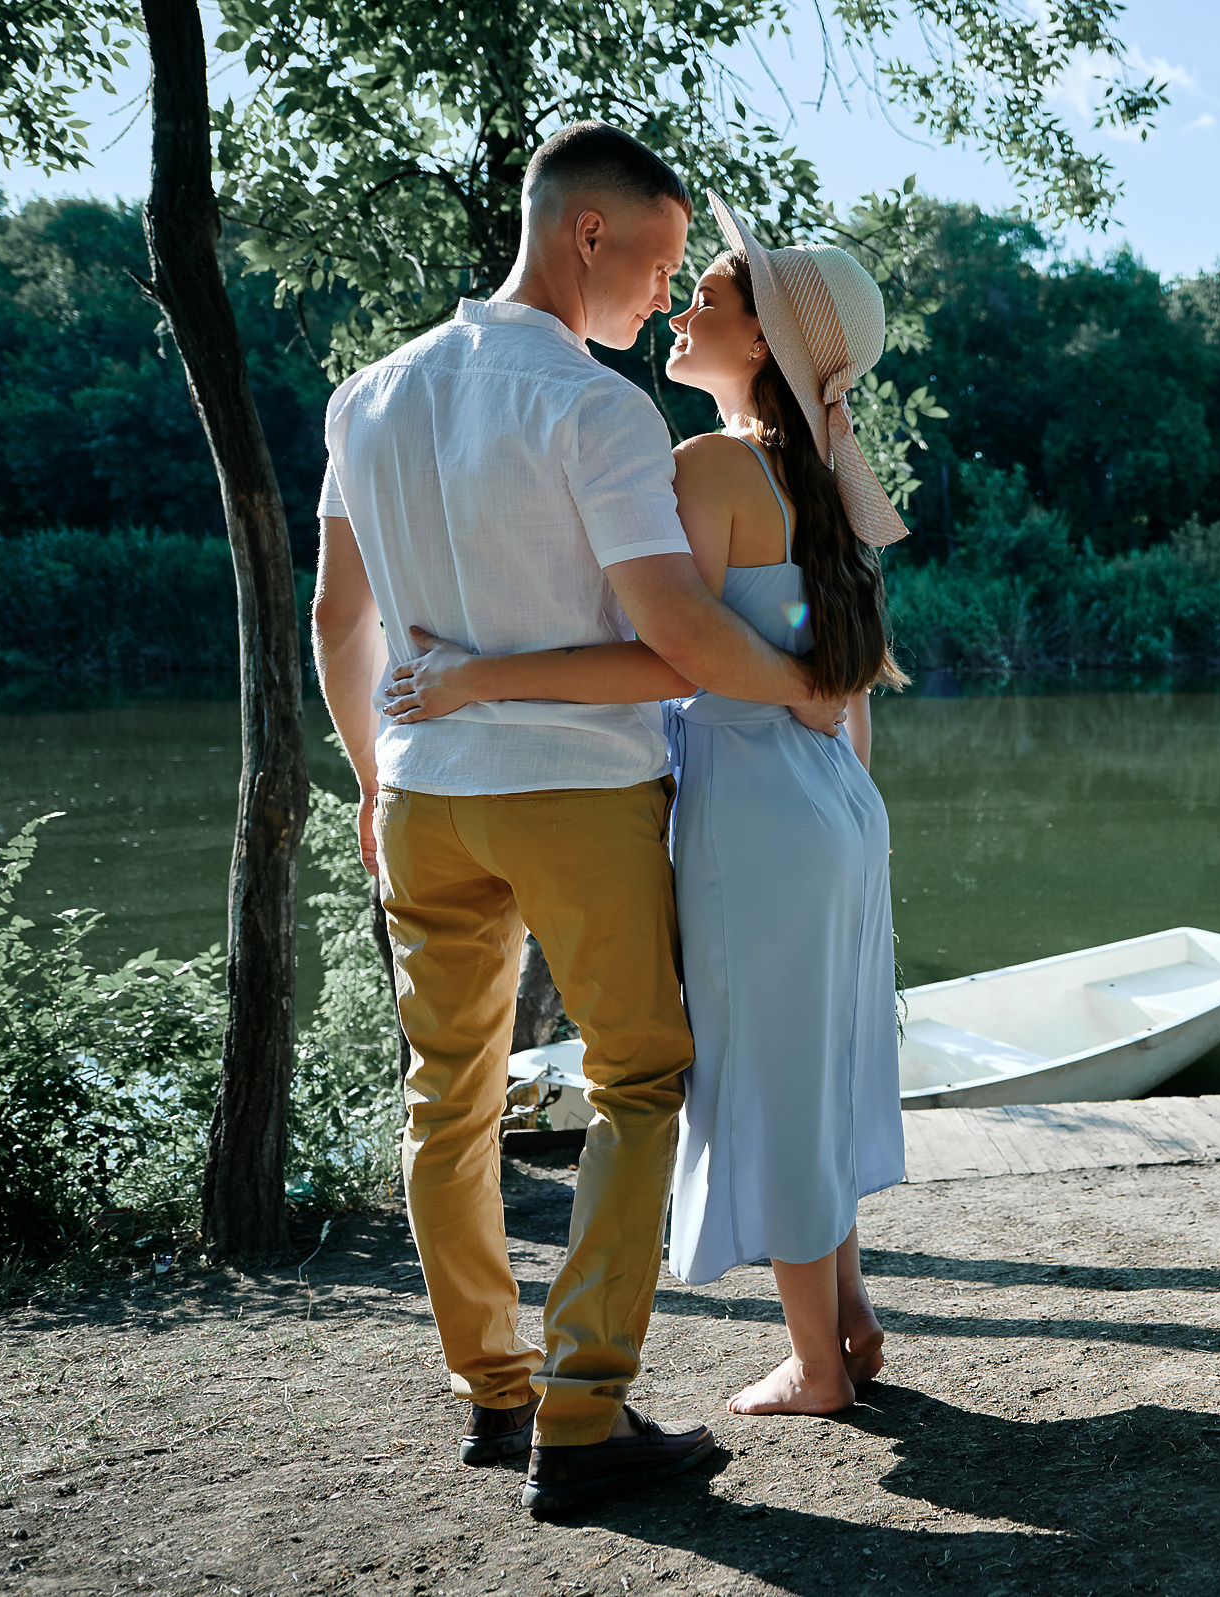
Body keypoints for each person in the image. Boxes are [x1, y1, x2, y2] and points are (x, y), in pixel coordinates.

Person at [310, 124, 844, 1520]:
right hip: (578, 788)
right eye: (662, 260)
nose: (664, 295)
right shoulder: (596, 409)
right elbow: (676, 639)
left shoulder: (365, 396)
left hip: (425, 792)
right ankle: (582, 1410)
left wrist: (373, 774)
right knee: (639, 1079)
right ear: (589, 236)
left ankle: (492, 1392)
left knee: (450, 1095)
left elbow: (337, 618)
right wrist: (804, 684)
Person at [383, 190, 909, 1418]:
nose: (684, 303)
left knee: (766, 1082)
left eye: (714, 295)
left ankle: (819, 1368)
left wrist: (474, 676)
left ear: (766, 345)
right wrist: (836, 799)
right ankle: (853, 1316)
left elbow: (666, 649)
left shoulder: (708, 467)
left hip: (751, 805)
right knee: (811, 1067)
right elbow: (836, 689)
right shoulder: (817, 477)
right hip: (827, 805)